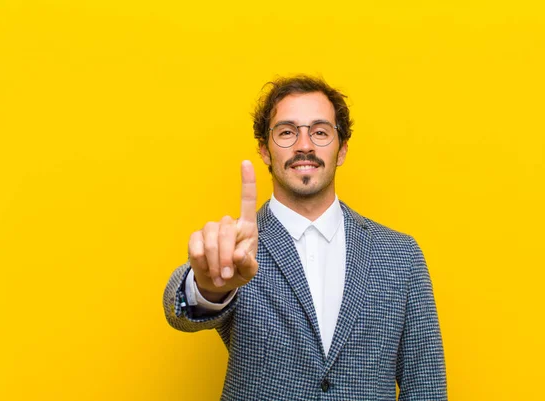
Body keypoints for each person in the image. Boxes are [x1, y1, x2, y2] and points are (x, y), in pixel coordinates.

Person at [163, 75, 447, 400]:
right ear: (264, 151)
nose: (304, 145)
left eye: (320, 132)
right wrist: (208, 288)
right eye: (286, 132)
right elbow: (178, 313)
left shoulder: (401, 255)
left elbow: (426, 386)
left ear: (341, 150)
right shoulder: (237, 248)